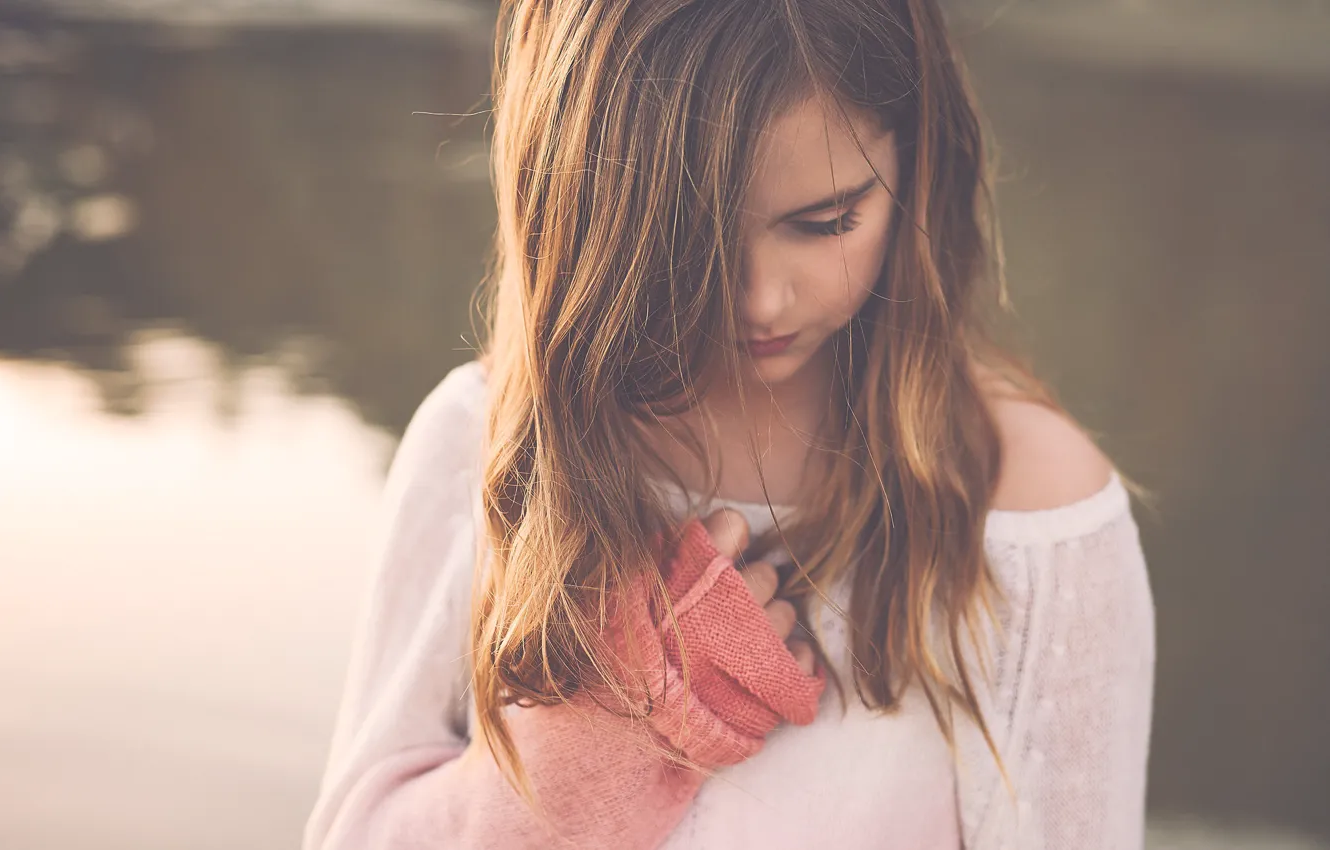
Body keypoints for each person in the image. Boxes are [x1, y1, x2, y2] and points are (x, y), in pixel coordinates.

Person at [302, 0, 1156, 847]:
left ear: (919, 162)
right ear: (584, 200)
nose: (759, 299)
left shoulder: (1036, 516)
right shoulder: (479, 442)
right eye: (688, 232)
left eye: (824, 223)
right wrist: (622, 726)